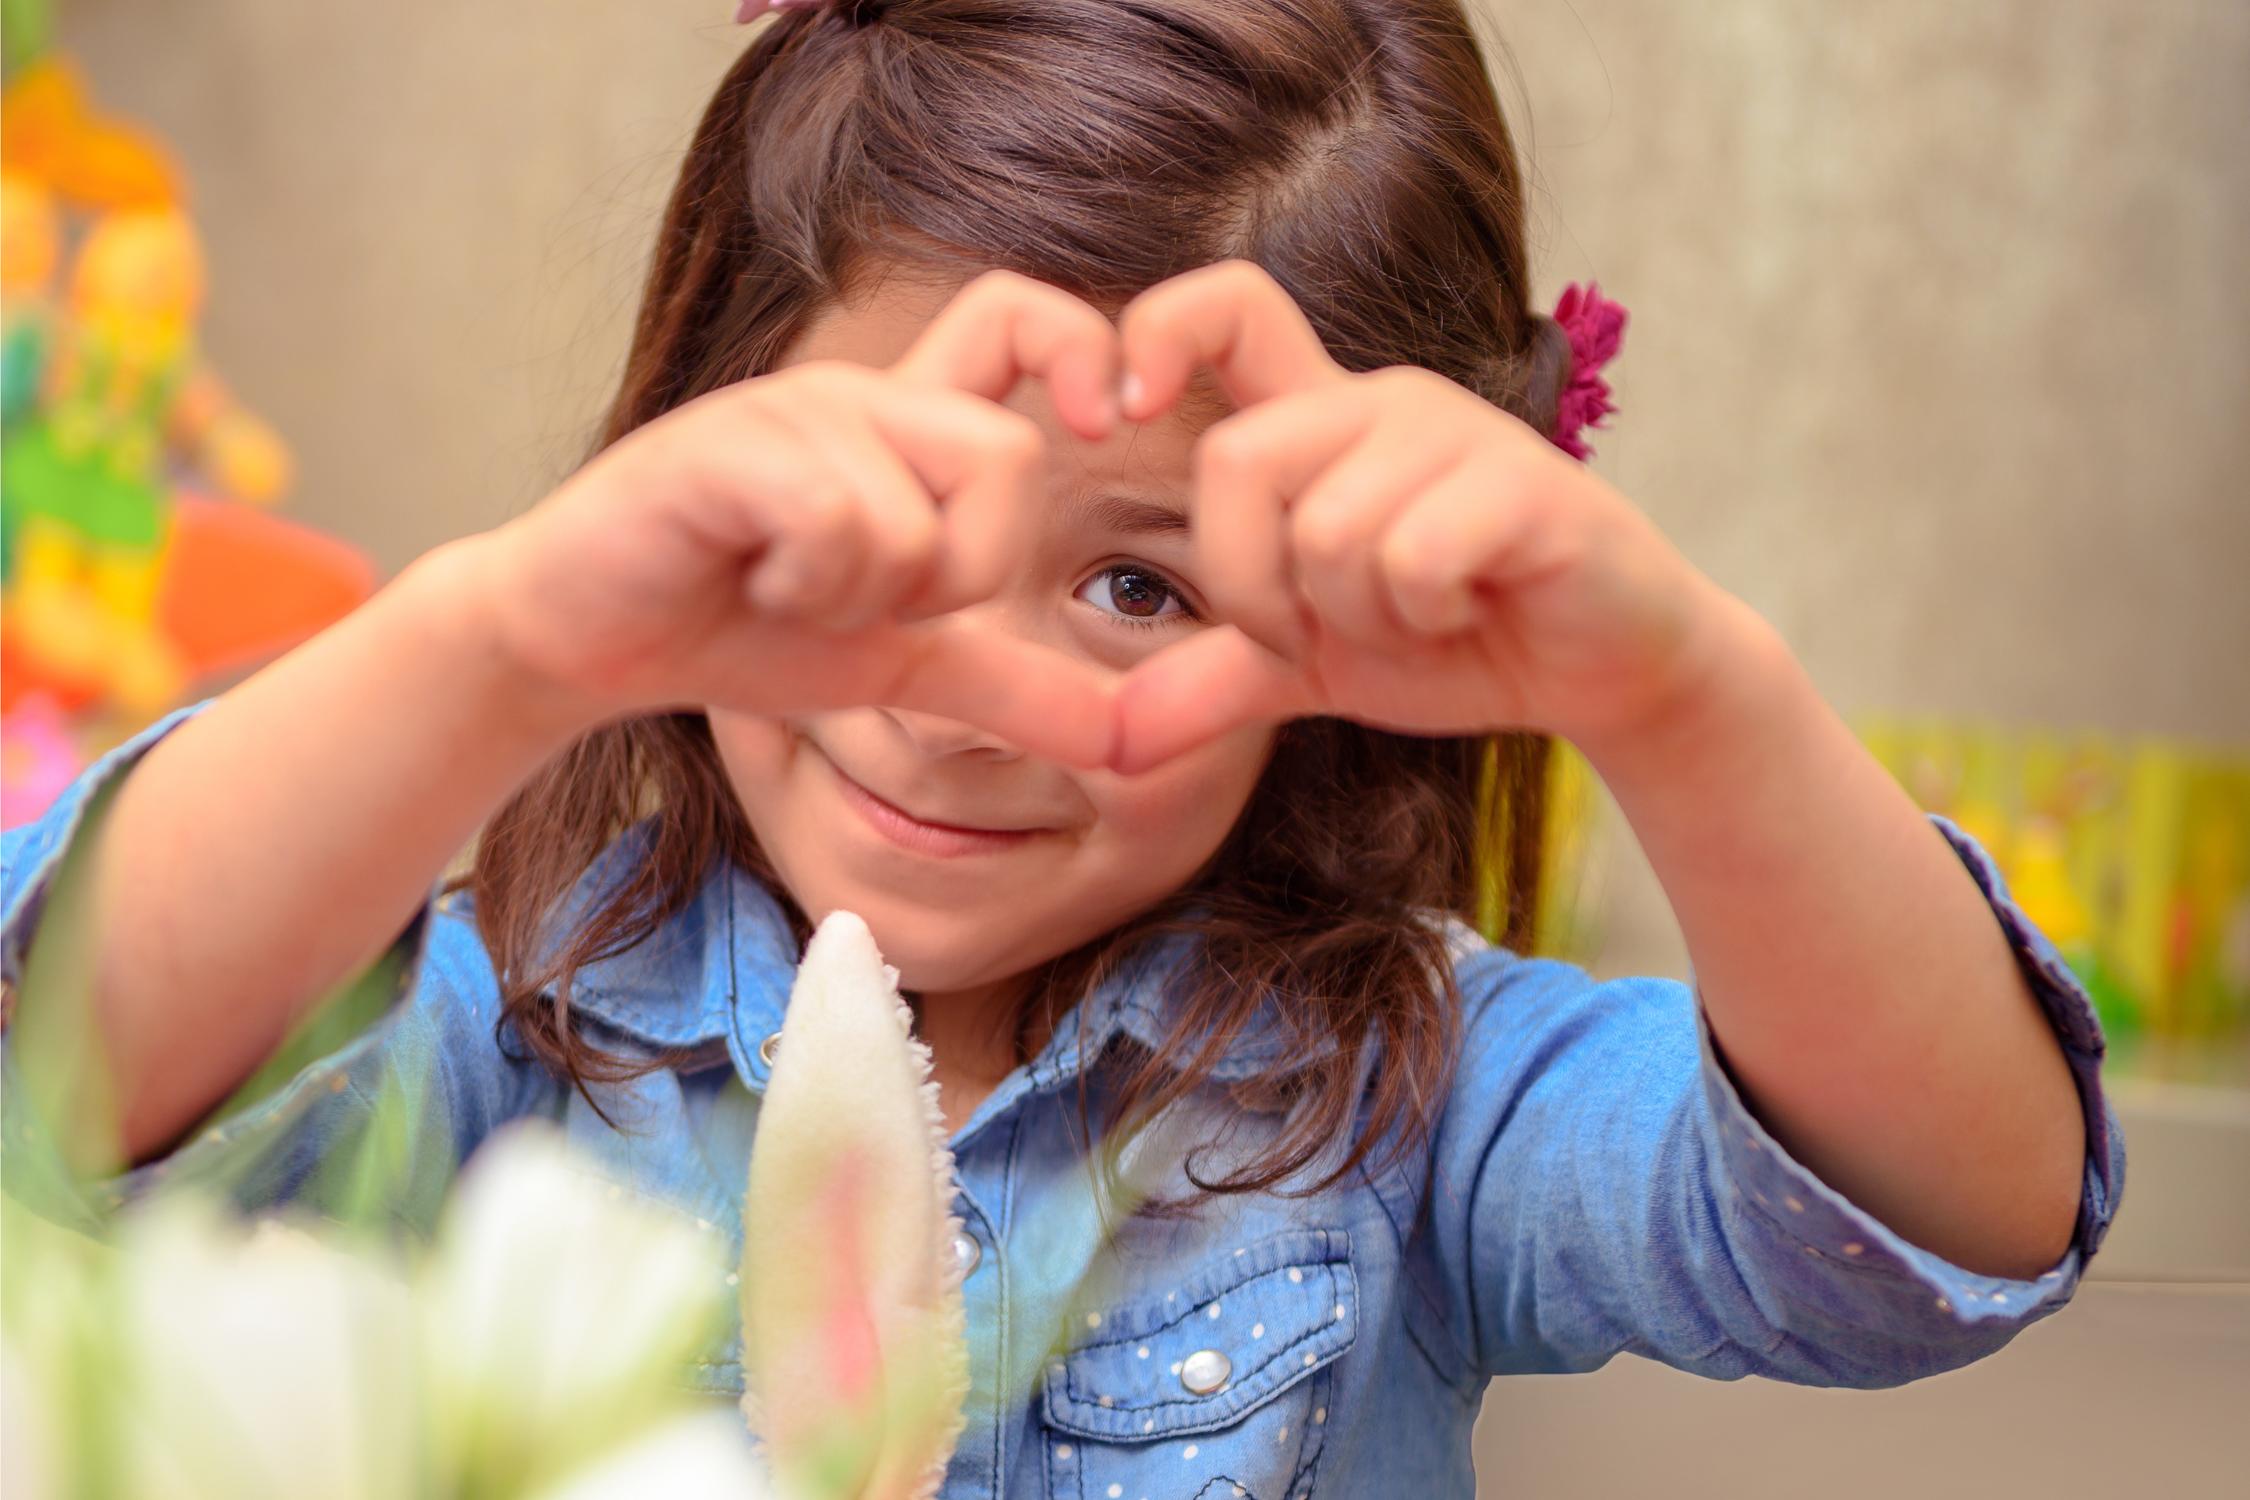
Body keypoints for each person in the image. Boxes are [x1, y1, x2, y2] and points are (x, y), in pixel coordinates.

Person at [0, 3, 2124, 1495]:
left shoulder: (1413, 1100)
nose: (953, 689)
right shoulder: (509, 1023)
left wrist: (1682, 688)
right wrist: (506, 628)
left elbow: (1947, 1229)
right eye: (896, 530)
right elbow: (59, 1078)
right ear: (699, 426)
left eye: (1139, 588)